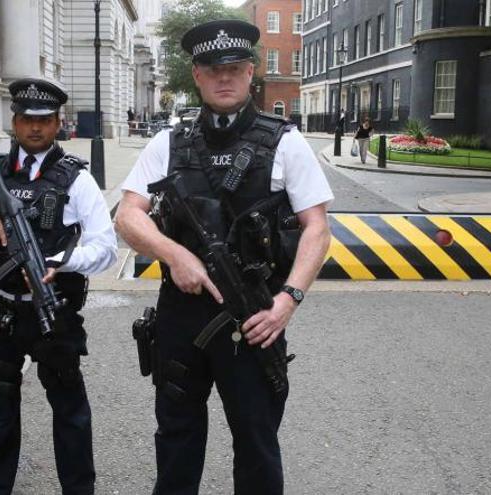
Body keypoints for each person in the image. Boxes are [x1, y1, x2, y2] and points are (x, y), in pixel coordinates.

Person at [114, 19, 333, 494]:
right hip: (181, 316)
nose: (225, 78)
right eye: (213, 69)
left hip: (252, 316)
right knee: (176, 439)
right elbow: (128, 216)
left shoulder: (285, 142)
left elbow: (317, 228)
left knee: (256, 445)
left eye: (234, 67)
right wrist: (174, 254)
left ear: (251, 72)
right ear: (197, 75)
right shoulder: (168, 142)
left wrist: (288, 300)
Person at [0, 78, 118, 495]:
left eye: (45, 120)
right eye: (26, 120)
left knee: (70, 409)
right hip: (0, 312)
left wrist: (63, 262)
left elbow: (105, 248)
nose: (35, 128)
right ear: (14, 122)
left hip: (53, 310)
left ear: (58, 124)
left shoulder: (76, 180)